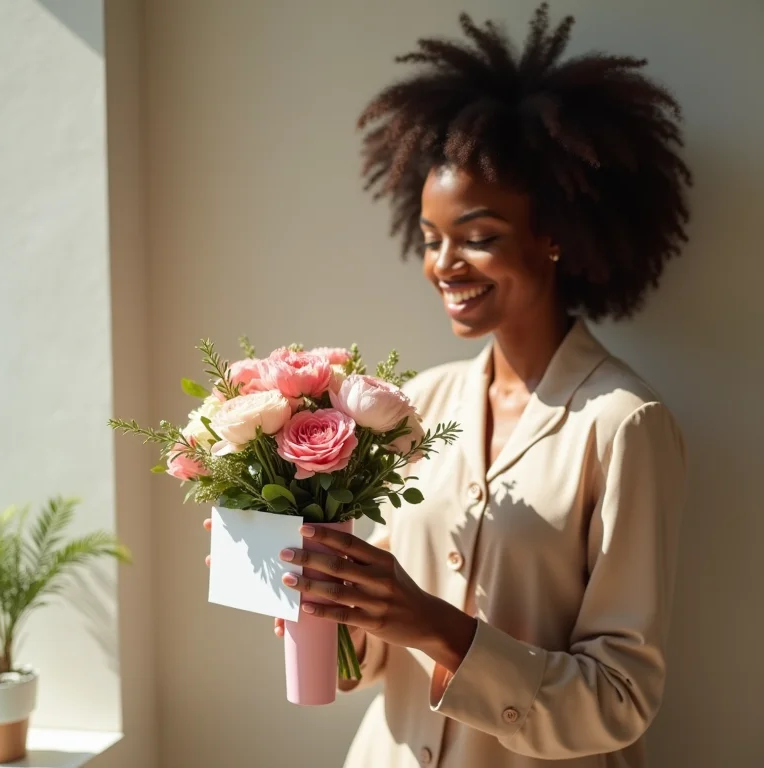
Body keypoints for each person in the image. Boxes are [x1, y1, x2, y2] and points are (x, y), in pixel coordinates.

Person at [205, 6, 691, 766]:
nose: (444, 265)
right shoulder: (416, 405)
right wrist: (309, 587)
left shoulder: (625, 425)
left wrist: (435, 624)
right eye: (431, 240)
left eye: (479, 237)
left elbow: (620, 699)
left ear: (555, 234)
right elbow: (368, 660)